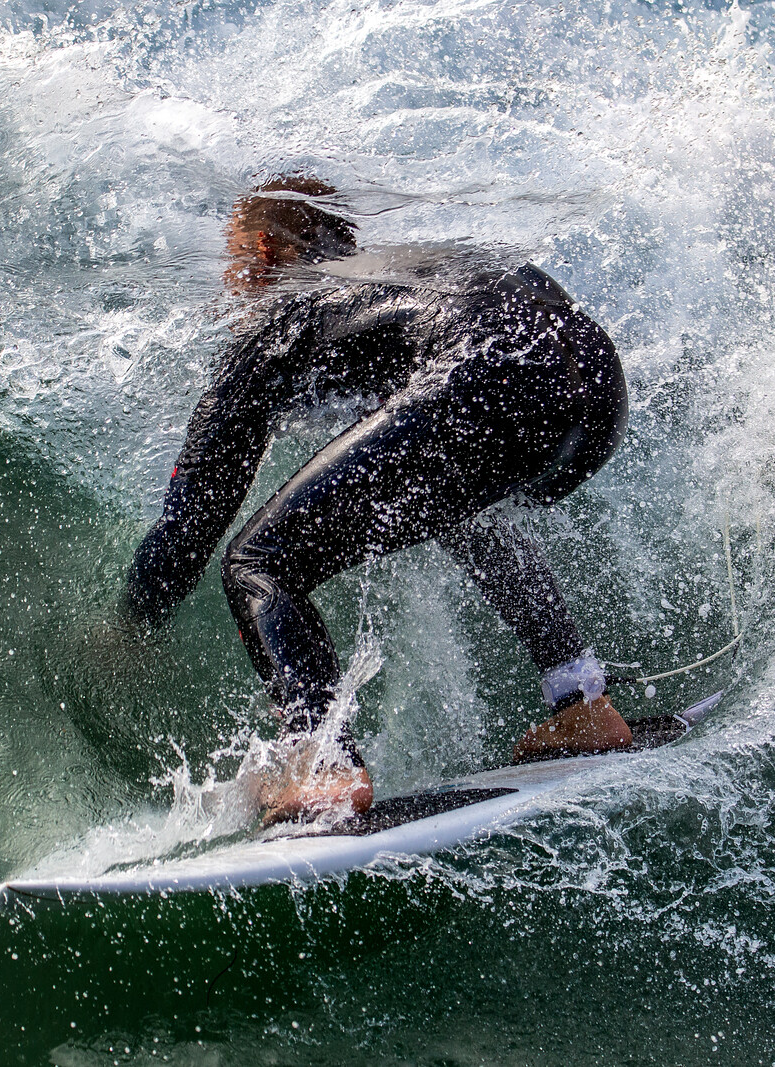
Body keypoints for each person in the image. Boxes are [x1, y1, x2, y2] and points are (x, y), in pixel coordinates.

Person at [123, 175, 632, 824]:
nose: (230, 282)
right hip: (596, 389)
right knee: (453, 500)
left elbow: (191, 525)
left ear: (260, 251)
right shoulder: (395, 275)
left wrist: (129, 627)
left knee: (257, 564)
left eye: (232, 261)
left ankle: (323, 762)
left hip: (492, 372)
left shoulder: (284, 314)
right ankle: (580, 698)